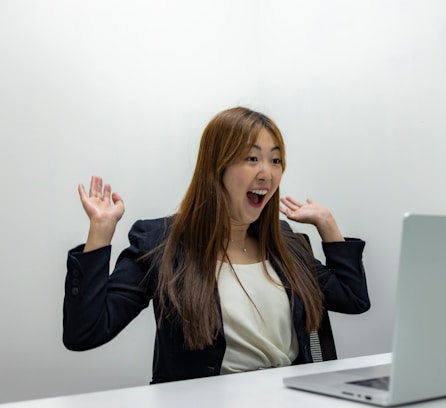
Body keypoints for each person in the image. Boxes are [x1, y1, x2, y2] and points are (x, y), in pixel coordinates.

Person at [63, 106, 370, 384]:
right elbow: (85, 332)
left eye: (275, 160)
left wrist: (328, 225)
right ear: (217, 166)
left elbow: (354, 299)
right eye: (252, 158)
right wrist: (100, 233)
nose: (267, 172)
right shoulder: (160, 243)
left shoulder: (285, 242)